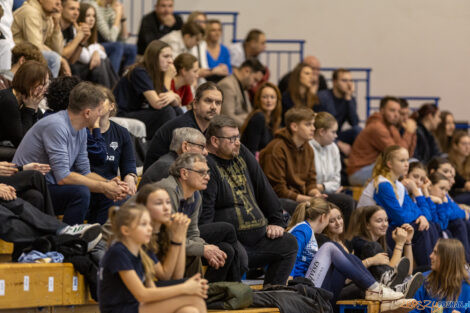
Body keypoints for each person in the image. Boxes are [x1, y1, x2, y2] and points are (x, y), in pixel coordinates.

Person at [200, 115, 298, 286]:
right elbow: (206, 212)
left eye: (238, 137)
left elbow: (263, 186)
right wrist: (208, 245)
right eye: (232, 139)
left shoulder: (240, 152)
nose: (237, 142)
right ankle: (230, 299)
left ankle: (273, 296)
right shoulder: (207, 165)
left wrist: (276, 220)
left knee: (288, 243)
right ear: (215, 141)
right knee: (236, 256)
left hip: (259, 240)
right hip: (232, 242)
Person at [12, 82, 126, 225]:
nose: (100, 115)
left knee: (106, 194)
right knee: (81, 192)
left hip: (50, 186)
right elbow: (63, 178)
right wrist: (104, 187)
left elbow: (85, 171)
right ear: (87, 113)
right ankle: (67, 242)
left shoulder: (82, 129)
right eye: (99, 110)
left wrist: (108, 183)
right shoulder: (56, 125)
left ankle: (94, 239)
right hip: (28, 187)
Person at [287, 199, 413, 310]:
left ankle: (382, 294)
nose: (336, 222)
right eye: (330, 219)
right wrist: (288, 282)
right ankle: (378, 288)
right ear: (323, 217)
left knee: (350, 257)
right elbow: (291, 257)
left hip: (311, 287)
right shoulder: (302, 229)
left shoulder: (309, 231)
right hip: (300, 289)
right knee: (330, 247)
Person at [98, 202, 208, 313]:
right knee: (194, 300)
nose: (149, 229)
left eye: (150, 224)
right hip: (119, 310)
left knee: (188, 310)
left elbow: (152, 290)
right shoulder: (117, 252)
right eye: (143, 224)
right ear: (126, 230)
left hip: (135, 307)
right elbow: (142, 294)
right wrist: (184, 288)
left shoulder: (140, 251)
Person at [153, 153, 243, 282]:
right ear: (184, 173)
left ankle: (209, 293)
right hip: (150, 243)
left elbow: (192, 233)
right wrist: (202, 249)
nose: (207, 177)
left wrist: (209, 249)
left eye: (208, 172)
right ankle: (195, 294)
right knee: (194, 254)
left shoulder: (195, 196)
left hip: (171, 242)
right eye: (201, 172)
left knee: (224, 251)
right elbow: (167, 238)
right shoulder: (168, 190)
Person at [357, 145, 438, 269]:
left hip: (387, 227)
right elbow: (400, 217)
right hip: (370, 232)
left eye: (407, 160)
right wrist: (419, 215)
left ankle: (432, 269)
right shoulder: (383, 184)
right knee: (421, 228)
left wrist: (422, 215)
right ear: (389, 164)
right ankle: (426, 271)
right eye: (402, 160)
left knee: (428, 225)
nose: (407, 164)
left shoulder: (399, 186)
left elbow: (427, 216)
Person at [144, 82, 223, 171]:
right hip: (159, 180)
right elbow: (190, 167)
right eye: (208, 101)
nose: (214, 107)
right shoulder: (183, 127)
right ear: (195, 104)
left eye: (218, 103)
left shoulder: (211, 127)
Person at [87, 87, 137, 224]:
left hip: (111, 187)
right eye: (93, 99)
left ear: (111, 106)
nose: (97, 102)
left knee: (130, 196)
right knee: (117, 196)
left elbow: (129, 165)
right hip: (89, 185)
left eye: (102, 99)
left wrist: (130, 178)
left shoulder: (121, 133)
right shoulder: (83, 130)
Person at [114, 40, 180, 138]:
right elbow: (158, 104)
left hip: (140, 112)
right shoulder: (140, 71)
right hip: (123, 114)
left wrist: (173, 97)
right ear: (153, 58)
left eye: (171, 56)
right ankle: (165, 148)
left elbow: (177, 102)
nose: (171, 61)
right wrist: (168, 79)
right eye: (166, 56)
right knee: (167, 111)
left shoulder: (158, 73)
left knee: (178, 110)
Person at [259, 107, 320, 214]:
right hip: (278, 200)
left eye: (313, 124)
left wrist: (315, 193)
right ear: (294, 126)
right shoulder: (276, 149)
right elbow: (278, 190)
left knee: (343, 201)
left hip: (299, 197)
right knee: (307, 209)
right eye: (308, 124)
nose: (313, 128)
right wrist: (308, 200)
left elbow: (311, 181)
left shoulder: (308, 149)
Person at [348, 96, 417, 186]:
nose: (396, 115)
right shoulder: (377, 127)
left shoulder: (391, 127)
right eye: (392, 110)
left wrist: (412, 133)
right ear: (382, 110)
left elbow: (407, 155)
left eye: (398, 112)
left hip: (371, 168)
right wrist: (408, 132)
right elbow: (398, 154)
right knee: (409, 164)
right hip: (359, 172)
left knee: (413, 163)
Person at [346, 206, 418, 287]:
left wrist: (408, 241)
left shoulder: (381, 244)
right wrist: (399, 244)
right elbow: (390, 277)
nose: (385, 224)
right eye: (379, 221)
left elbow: (407, 272)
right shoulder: (362, 244)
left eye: (386, 220)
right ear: (367, 225)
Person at [135, 185, 190, 283]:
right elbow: (164, 277)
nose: (166, 208)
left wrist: (182, 232)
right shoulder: (139, 235)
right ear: (144, 208)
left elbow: (178, 276)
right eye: (159, 203)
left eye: (168, 202)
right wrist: (177, 239)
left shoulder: (166, 229)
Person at [310, 112, 355, 227]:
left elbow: (336, 181)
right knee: (346, 202)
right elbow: (307, 181)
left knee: (352, 202)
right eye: (333, 132)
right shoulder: (308, 147)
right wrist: (318, 188)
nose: (336, 136)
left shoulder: (333, 148)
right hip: (311, 194)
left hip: (326, 192)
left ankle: (343, 240)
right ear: (321, 132)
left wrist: (322, 186)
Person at [64, 2, 117, 88]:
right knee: (101, 63)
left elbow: (100, 51)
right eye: (88, 16)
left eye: (93, 16)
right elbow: (85, 58)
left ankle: (112, 93)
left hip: (86, 70)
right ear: (80, 17)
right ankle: (109, 94)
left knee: (104, 61)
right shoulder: (75, 31)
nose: (92, 19)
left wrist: (96, 51)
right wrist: (96, 51)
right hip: (76, 70)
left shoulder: (91, 33)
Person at [0, 60, 49, 156]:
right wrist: (30, 109)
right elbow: (22, 142)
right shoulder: (8, 100)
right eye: (42, 85)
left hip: (6, 144)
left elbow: (39, 132)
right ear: (29, 83)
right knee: (30, 154)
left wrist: (33, 109)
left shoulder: (26, 100)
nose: (44, 89)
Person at [410, 239, 470, 313]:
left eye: (435, 253)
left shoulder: (467, 287)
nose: (430, 256)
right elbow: (412, 310)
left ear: (448, 258)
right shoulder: (424, 279)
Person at [12, 0, 67, 77]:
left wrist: (56, 26)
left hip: (27, 54)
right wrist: (60, 59)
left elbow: (57, 50)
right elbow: (35, 46)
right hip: (14, 55)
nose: (58, 3)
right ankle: (48, 88)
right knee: (53, 58)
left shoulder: (48, 17)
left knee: (55, 57)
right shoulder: (30, 12)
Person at [139, 127, 207, 189]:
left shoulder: (171, 162)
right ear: (186, 147)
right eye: (201, 147)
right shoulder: (169, 167)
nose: (205, 152)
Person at [426, 171, 470, 262]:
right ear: (430, 186)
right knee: (456, 225)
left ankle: (465, 261)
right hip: (434, 234)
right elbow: (440, 225)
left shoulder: (442, 199)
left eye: (446, 190)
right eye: (441, 188)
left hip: (442, 231)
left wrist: (442, 203)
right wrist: (439, 203)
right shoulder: (427, 200)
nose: (444, 193)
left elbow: (445, 221)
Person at [85, 0, 136, 75]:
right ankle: (112, 81)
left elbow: (123, 38)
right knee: (117, 46)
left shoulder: (110, 8)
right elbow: (110, 37)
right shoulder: (94, 6)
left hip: (109, 43)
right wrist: (118, 15)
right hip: (96, 43)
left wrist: (122, 18)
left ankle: (125, 79)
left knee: (132, 48)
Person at [317, 68, 361, 153]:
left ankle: (358, 162)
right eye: (344, 80)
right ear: (334, 82)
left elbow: (354, 122)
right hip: (323, 134)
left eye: (350, 81)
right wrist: (338, 143)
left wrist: (348, 98)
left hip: (337, 134)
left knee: (357, 130)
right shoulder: (323, 97)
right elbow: (319, 127)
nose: (349, 84)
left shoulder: (350, 99)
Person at [217, 58, 264, 127]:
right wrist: (250, 124)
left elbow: (250, 114)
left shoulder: (243, 87)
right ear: (247, 71)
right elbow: (227, 117)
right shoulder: (227, 85)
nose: (255, 85)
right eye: (255, 80)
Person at [240, 82, 282, 155]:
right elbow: (251, 151)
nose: (269, 101)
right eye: (265, 97)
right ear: (258, 100)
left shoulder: (273, 119)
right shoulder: (258, 117)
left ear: (277, 100)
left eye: (272, 97)